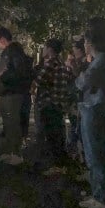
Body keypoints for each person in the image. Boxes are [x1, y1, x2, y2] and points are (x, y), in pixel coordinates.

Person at [75, 17, 105, 208]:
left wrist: (79, 74)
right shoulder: (99, 60)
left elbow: (83, 82)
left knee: (96, 154)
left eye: (85, 41)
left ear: (90, 42)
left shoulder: (103, 60)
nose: (83, 45)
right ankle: (98, 194)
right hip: (92, 109)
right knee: (93, 154)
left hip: (95, 110)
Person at [33, 38, 75, 168]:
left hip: (48, 104)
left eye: (45, 47)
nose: (43, 50)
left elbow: (38, 81)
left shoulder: (50, 64)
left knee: (50, 137)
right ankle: (60, 164)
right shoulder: (62, 64)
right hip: (59, 105)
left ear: (50, 49)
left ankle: (53, 166)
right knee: (57, 136)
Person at [0, 26, 32, 165]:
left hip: (13, 94)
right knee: (8, 125)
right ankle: (11, 152)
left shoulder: (14, 52)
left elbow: (18, 73)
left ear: (3, 39)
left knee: (13, 124)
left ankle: (16, 154)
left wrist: (3, 76)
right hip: (7, 93)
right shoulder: (9, 52)